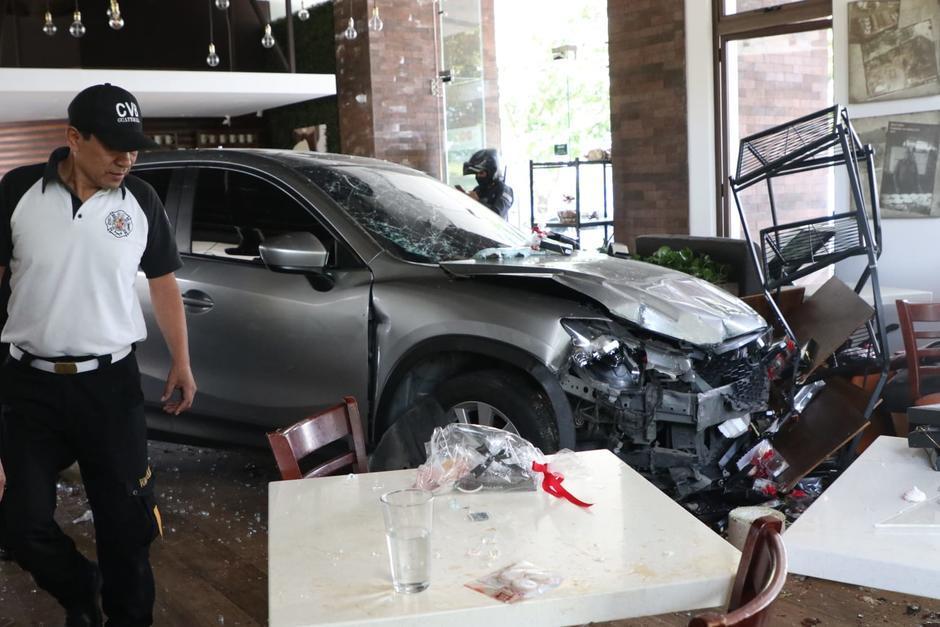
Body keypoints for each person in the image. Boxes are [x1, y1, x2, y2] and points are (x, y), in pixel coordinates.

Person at [0, 83, 196, 627]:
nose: (125, 159)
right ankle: (79, 585)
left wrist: (181, 361)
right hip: (29, 385)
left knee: (127, 528)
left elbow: (163, 282)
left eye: (133, 148)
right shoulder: (17, 190)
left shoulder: (142, 200)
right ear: (74, 138)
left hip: (110, 387)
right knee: (19, 523)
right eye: (112, 146)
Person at [460, 148, 514, 219]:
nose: (478, 176)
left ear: (492, 172)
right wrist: (463, 199)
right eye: (476, 174)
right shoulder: (478, 189)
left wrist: (477, 201)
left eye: (481, 173)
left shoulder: (505, 190)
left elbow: (497, 215)